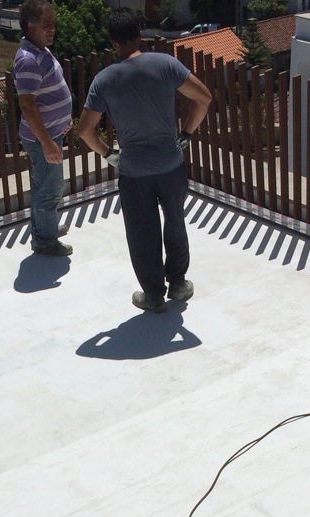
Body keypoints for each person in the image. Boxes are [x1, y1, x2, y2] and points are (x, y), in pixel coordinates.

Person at [78, 11, 212, 313]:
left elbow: (85, 131)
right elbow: (204, 98)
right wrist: (186, 133)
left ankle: (153, 295)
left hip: (134, 172)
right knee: (175, 223)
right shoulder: (165, 64)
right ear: (140, 35)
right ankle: (178, 283)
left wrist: (108, 153)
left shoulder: (104, 80)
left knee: (142, 234)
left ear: (113, 41)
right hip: (171, 165)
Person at [14, 0, 74, 257]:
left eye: (53, 24)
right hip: (42, 139)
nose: (52, 29)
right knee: (50, 190)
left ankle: (44, 229)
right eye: (46, 25)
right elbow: (27, 107)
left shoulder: (40, 51)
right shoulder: (28, 60)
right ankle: (45, 241)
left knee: (43, 186)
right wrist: (48, 143)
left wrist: (63, 119)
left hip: (49, 134)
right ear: (31, 26)